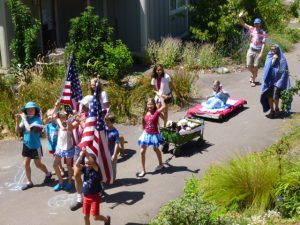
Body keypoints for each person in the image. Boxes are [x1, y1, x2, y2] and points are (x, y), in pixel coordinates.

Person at [15, 101, 52, 190]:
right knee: (26, 164)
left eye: (32, 110)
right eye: (28, 110)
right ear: (26, 111)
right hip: (26, 144)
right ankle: (29, 182)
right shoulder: (26, 119)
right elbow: (17, 131)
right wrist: (17, 121)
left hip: (36, 146)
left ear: (35, 111)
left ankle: (48, 173)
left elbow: (29, 129)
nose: (30, 112)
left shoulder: (37, 120)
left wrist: (24, 119)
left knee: (38, 164)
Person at [70, 95, 94, 211]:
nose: (82, 106)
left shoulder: (94, 116)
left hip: (90, 149)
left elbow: (89, 130)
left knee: (92, 173)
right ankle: (79, 198)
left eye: (84, 104)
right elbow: (70, 127)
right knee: (76, 173)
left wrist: (80, 121)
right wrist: (66, 120)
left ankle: (97, 189)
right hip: (79, 147)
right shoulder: (82, 114)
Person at [76, 150, 111, 225]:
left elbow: (92, 161)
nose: (87, 165)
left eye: (89, 163)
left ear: (93, 163)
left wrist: (86, 153)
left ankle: (106, 219)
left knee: (96, 217)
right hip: (85, 196)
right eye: (86, 163)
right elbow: (77, 164)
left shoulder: (96, 169)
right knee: (85, 216)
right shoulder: (85, 168)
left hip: (94, 197)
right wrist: (81, 156)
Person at [137, 97, 165, 177]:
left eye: (151, 104)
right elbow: (145, 123)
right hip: (146, 134)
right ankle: (143, 170)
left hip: (154, 134)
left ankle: (161, 164)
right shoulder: (145, 112)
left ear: (154, 105)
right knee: (142, 151)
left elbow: (164, 106)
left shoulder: (156, 112)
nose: (149, 106)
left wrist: (161, 97)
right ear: (146, 105)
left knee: (155, 149)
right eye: (148, 104)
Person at [260, 44, 291, 119]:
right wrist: (272, 60)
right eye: (272, 49)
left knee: (275, 97)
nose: (273, 51)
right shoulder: (269, 56)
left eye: (274, 49)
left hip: (278, 81)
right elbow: (267, 68)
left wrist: (280, 78)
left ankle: (276, 108)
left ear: (277, 49)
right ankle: (272, 110)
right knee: (269, 96)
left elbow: (283, 70)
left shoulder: (282, 58)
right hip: (269, 81)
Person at [239, 11, 267, 87]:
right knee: (248, 65)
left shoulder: (263, 32)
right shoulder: (251, 29)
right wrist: (240, 17)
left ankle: (253, 81)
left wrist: (261, 53)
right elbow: (243, 24)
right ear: (254, 24)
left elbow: (264, 43)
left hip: (258, 51)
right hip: (251, 50)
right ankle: (254, 74)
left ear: (260, 24)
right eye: (255, 23)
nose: (256, 24)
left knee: (256, 66)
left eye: (258, 23)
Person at [52, 109, 75, 191]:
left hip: (68, 148)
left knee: (69, 166)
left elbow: (64, 128)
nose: (62, 118)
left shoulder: (68, 123)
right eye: (60, 116)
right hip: (59, 147)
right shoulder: (59, 122)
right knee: (55, 165)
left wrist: (57, 119)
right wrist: (56, 107)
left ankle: (69, 182)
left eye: (63, 116)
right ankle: (61, 182)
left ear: (67, 116)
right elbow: (52, 114)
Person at [45, 108, 64, 176]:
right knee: (54, 157)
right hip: (52, 144)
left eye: (51, 115)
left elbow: (61, 130)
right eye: (48, 115)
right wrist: (47, 137)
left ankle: (61, 169)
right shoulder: (48, 125)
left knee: (57, 157)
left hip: (58, 144)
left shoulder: (58, 124)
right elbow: (47, 134)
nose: (50, 117)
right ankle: (58, 168)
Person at [104, 113, 120, 182]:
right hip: (105, 151)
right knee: (105, 166)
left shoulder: (115, 132)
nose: (107, 124)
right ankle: (106, 178)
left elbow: (117, 143)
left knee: (113, 166)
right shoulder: (105, 129)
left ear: (112, 122)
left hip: (112, 152)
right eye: (106, 122)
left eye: (108, 123)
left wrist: (115, 154)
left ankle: (113, 179)